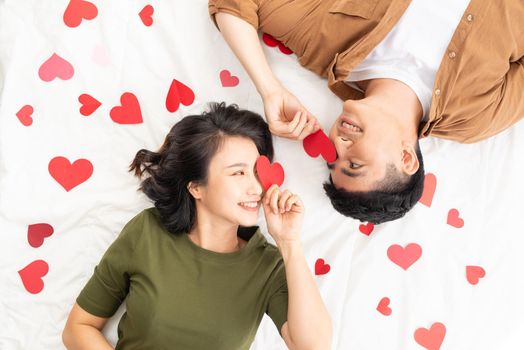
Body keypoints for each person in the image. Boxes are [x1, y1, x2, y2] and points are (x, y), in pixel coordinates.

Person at [208, 0, 524, 223]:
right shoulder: (474, 117)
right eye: (355, 163)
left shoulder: (325, 41)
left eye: (335, 157)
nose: (340, 144)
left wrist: (270, 88)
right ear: (406, 159)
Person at [62, 103, 332, 350]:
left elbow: (313, 346)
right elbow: (78, 327)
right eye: (238, 172)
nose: (256, 187)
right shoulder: (147, 232)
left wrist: (289, 243)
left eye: (257, 172)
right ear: (196, 186)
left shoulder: (268, 264)